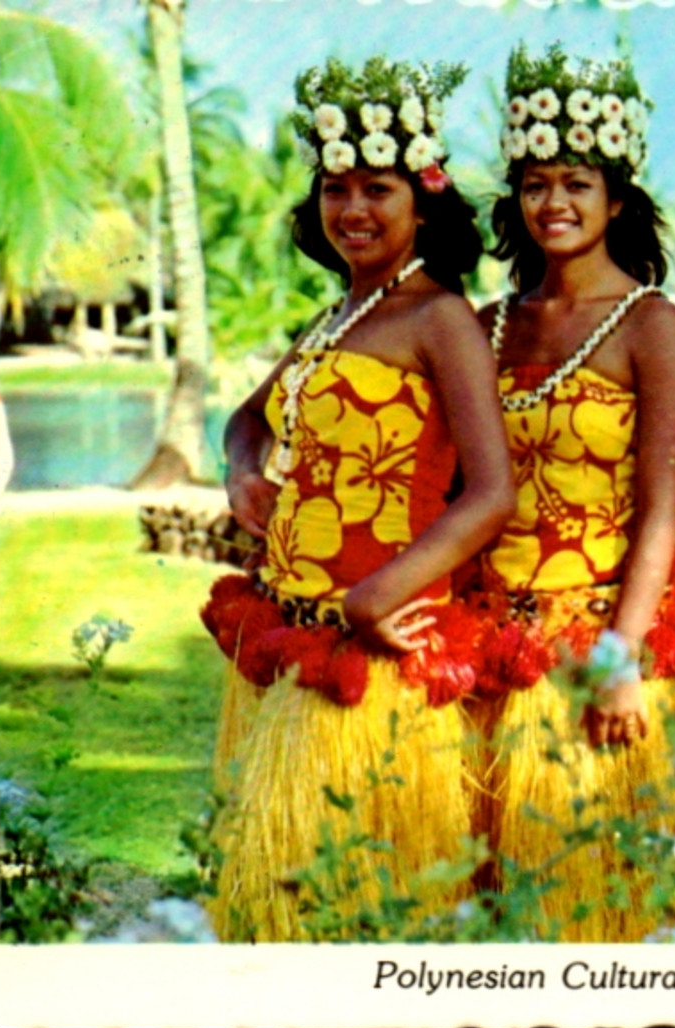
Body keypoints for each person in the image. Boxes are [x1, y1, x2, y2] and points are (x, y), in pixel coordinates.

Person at [201, 57, 514, 941]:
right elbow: (243, 418)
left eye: (377, 187)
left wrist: (383, 591)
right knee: (281, 890)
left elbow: (490, 492)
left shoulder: (438, 317)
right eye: (336, 188)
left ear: (424, 201)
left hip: (380, 643)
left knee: (364, 902)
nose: (353, 209)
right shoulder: (336, 314)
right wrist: (241, 468)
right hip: (296, 622)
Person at [468, 44, 675, 942]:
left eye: (575, 182)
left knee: (583, 906)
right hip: (481, 643)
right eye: (533, 183)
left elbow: (661, 509)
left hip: (593, 641)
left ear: (616, 199)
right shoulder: (487, 324)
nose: (552, 202)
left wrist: (618, 658)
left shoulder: (650, 324)